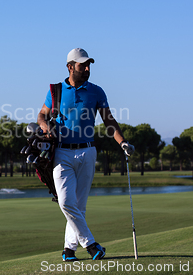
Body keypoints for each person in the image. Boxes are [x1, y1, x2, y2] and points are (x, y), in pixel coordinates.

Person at [37, 48, 135, 261]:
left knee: (79, 205)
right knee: (65, 202)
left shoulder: (97, 91)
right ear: (70, 67)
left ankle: (68, 250)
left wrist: (123, 142)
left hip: (88, 152)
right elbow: (41, 115)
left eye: (89, 65)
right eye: (83, 65)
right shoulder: (55, 91)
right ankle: (91, 245)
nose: (88, 69)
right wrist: (44, 126)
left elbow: (109, 121)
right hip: (62, 153)